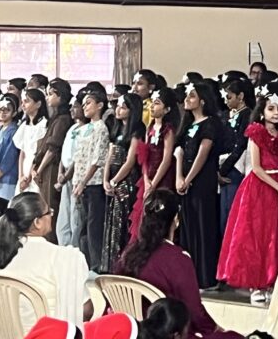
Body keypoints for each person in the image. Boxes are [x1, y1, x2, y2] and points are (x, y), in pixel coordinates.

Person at [117, 190, 242, 339]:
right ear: (176, 220)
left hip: (132, 331)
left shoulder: (129, 254)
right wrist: (215, 328)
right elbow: (195, 311)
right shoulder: (177, 258)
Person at [217, 92, 278, 303]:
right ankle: (257, 284)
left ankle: (275, 283)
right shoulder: (256, 134)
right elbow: (257, 167)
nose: (276, 113)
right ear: (262, 112)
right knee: (259, 236)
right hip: (261, 188)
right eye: (271, 109)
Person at [0, 192, 92, 328]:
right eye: (49, 212)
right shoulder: (63, 257)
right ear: (37, 222)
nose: (51, 215)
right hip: (47, 334)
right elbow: (85, 310)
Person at [174, 82, 223, 290]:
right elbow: (179, 152)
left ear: (202, 100)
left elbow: (203, 154)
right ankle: (189, 274)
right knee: (188, 226)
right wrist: (179, 177)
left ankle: (206, 277)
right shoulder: (187, 125)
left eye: (192, 96)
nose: (187, 99)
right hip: (185, 180)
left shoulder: (209, 123)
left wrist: (188, 179)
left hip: (203, 181)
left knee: (203, 225)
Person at [101, 94, 144, 272]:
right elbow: (109, 156)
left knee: (123, 221)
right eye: (118, 106)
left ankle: (125, 263)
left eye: (123, 107)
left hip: (126, 180)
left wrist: (115, 180)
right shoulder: (116, 128)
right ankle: (112, 263)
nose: (118, 110)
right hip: (113, 179)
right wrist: (105, 180)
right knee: (112, 222)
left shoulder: (136, 130)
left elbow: (130, 161)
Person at [130, 89, 178, 241]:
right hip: (148, 177)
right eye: (152, 103)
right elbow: (144, 155)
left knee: (160, 213)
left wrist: (154, 183)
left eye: (157, 103)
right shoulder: (149, 127)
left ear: (167, 109)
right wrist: (146, 179)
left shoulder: (168, 130)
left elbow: (166, 159)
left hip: (162, 178)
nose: (152, 106)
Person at [73, 89, 111, 272]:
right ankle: (84, 262)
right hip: (81, 183)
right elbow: (78, 156)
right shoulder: (83, 129)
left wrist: (83, 181)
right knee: (82, 226)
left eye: (89, 103)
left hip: (93, 183)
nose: (85, 107)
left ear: (100, 105)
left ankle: (96, 266)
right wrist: (76, 180)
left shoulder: (101, 128)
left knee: (93, 226)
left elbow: (97, 159)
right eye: (84, 104)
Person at [34, 82, 72, 237]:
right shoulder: (55, 117)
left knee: (50, 207)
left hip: (52, 167)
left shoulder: (63, 119)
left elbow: (52, 148)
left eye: (51, 94)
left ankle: (50, 240)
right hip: (45, 167)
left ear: (61, 96)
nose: (47, 97)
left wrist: (40, 169)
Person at [216, 79, 254, 235]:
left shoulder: (247, 115)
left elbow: (240, 144)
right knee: (223, 214)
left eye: (229, 97)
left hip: (236, 167)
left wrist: (223, 170)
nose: (226, 101)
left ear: (241, 96)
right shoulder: (228, 115)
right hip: (223, 167)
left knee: (231, 212)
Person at [55, 94, 87, 247]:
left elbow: (79, 156)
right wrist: (60, 173)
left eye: (76, 106)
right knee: (64, 217)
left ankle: (74, 249)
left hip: (76, 177)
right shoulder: (72, 127)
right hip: (65, 176)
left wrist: (67, 175)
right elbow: (64, 152)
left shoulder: (87, 129)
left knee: (75, 218)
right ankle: (63, 247)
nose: (72, 110)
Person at [14, 89, 48, 195]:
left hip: (36, 170)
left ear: (38, 104)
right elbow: (22, 152)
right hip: (24, 170)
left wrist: (28, 177)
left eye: (27, 101)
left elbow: (40, 153)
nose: (23, 105)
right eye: (23, 101)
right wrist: (21, 176)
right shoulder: (24, 126)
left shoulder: (44, 125)